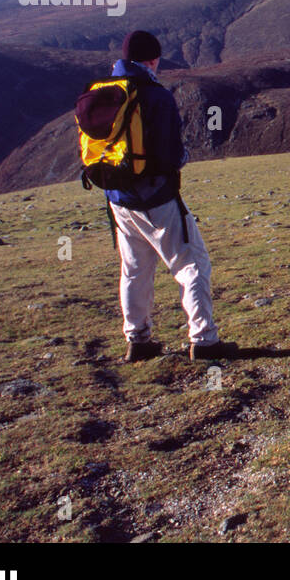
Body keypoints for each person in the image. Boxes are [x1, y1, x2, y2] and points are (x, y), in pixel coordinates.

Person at [105, 30, 236, 362]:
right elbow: (171, 154)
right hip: (156, 198)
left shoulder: (106, 92)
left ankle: (138, 340)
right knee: (192, 263)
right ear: (152, 60)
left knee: (134, 270)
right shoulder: (155, 96)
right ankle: (204, 340)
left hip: (118, 200)